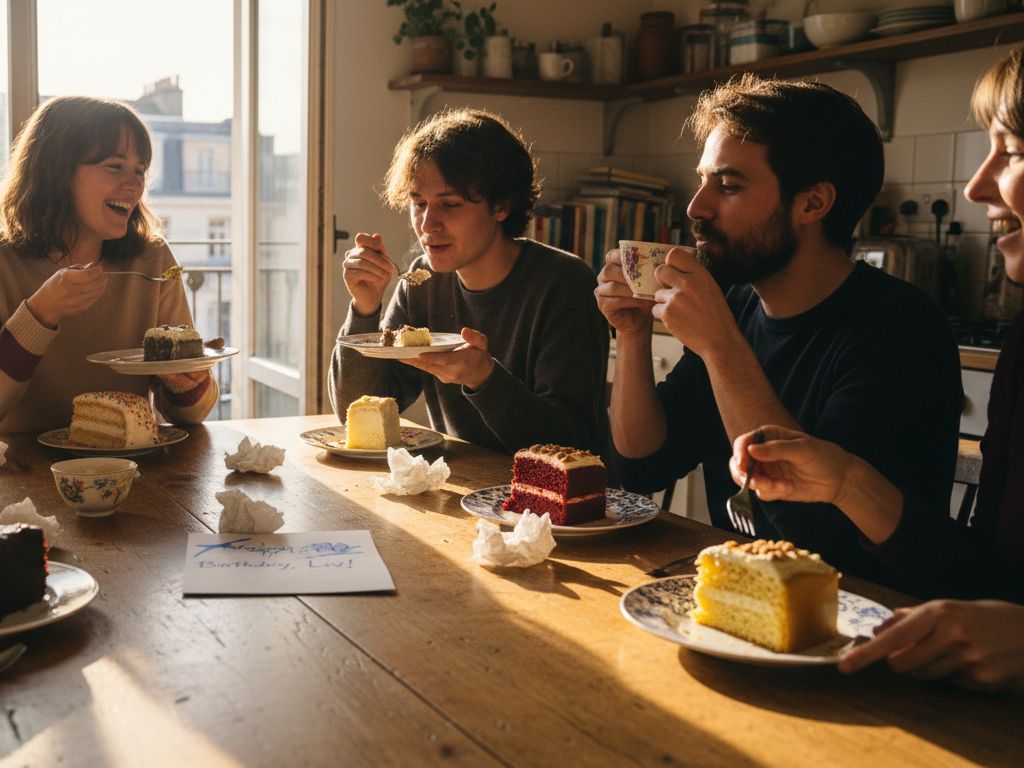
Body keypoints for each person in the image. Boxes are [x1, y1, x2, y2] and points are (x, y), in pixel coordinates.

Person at [727, 48, 1024, 693]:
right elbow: (989, 584)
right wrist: (847, 480)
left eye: (1014, 151)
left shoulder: (895, 325)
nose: (975, 188)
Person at [596, 74, 963, 588]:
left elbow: (818, 538)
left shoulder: (901, 330)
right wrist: (632, 335)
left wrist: (721, 346)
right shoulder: (739, 305)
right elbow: (642, 469)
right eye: (702, 180)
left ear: (812, 204)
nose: (696, 207)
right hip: (742, 598)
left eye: (728, 186)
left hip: (857, 620)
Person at [328, 108, 608, 454]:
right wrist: (364, 308)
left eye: (450, 205)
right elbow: (355, 415)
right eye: (419, 203)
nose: (428, 225)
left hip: (560, 500)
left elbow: (571, 441)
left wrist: (485, 379)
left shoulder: (565, 284)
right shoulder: (422, 283)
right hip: (465, 488)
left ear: (501, 206)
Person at [0, 96, 217, 440]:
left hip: (130, 472)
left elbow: (192, 415)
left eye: (139, 170)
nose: (134, 186)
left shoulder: (152, 260)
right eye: (114, 166)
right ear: (57, 171)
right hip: (14, 474)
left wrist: (188, 384)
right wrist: (39, 314)